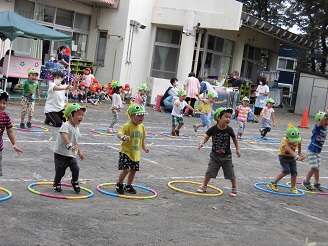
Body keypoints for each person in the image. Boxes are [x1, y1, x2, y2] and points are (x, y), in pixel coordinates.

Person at [197, 107, 241, 197]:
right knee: (209, 172)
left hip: (226, 157)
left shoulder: (229, 129)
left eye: (229, 117)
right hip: (215, 156)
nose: (228, 119)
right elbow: (206, 136)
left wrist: (237, 149)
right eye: (226, 117)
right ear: (218, 118)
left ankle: (234, 187)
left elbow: (235, 139)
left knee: (230, 174)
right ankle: (204, 186)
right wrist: (202, 143)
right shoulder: (213, 129)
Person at [115, 104, 149, 194]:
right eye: (139, 115)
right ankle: (119, 184)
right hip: (126, 152)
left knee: (134, 170)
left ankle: (128, 185)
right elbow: (119, 134)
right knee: (126, 169)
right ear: (131, 116)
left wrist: (144, 148)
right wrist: (123, 137)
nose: (141, 117)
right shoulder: (127, 126)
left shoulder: (142, 127)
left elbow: (142, 138)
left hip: (135, 153)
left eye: (143, 115)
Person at [52, 103, 86, 193]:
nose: (81, 117)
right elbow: (64, 136)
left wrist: (80, 153)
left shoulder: (77, 128)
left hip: (71, 154)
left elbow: (76, 142)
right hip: (60, 153)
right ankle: (57, 183)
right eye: (78, 114)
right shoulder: (66, 125)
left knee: (76, 168)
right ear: (70, 116)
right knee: (60, 171)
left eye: (82, 115)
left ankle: (74, 182)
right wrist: (69, 145)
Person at [268, 123, 306, 194]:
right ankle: (273, 183)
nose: (294, 142)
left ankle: (293, 187)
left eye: (295, 140)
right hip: (283, 157)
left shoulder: (298, 140)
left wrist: (300, 153)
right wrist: (297, 157)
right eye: (292, 140)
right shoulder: (284, 141)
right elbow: (289, 150)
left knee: (294, 172)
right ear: (287, 137)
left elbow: (299, 142)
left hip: (292, 157)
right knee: (286, 170)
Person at [302, 109, 328, 191]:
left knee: (317, 169)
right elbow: (320, 122)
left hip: (318, 152)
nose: (327, 122)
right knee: (314, 167)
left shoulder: (325, 129)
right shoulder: (317, 128)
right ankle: (306, 182)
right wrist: (326, 114)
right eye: (325, 120)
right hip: (312, 150)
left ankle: (317, 183)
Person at [0, 90, 23, 176]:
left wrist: (15, 144)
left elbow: (10, 132)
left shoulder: (5, 116)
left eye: (4, 103)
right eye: (0, 103)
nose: (2, 105)